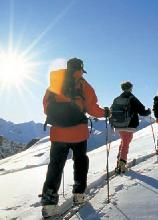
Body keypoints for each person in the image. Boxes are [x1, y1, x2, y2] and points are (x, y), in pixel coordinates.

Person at [40, 58, 109, 218]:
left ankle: (49, 205)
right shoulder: (84, 85)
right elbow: (92, 109)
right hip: (78, 133)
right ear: (81, 69)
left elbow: (46, 107)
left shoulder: (54, 83)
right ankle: (79, 195)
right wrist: (105, 112)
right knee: (80, 162)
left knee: (55, 167)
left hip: (58, 134)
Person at [111, 81, 151, 174]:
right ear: (130, 88)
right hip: (129, 125)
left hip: (119, 125)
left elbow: (112, 111)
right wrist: (148, 111)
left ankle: (120, 160)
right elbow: (142, 111)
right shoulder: (132, 98)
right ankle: (122, 164)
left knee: (123, 142)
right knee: (125, 144)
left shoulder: (117, 99)